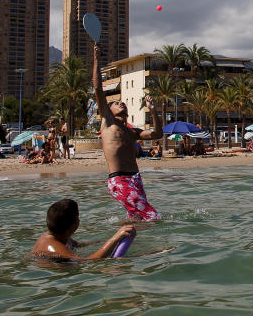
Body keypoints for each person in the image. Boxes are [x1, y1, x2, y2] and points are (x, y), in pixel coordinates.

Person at [93, 44, 162, 221]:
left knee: (137, 218)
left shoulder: (132, 131)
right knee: (152, 216)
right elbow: (98, 89)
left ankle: (130, 242)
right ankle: (160, 246)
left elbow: (157, 134)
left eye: (122, 102)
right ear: (108, 110)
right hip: (119, 180)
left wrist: (153, 110)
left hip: (135, 179)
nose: (120, 103)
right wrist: (96, 59)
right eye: (116, 103)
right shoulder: (108, 122)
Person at [31, 198, 136, 260]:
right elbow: (87, 262)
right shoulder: (54, 247)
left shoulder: (59, 235)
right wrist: (113, 239)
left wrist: (116, 238)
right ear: (75, 224)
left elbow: (79, 245)